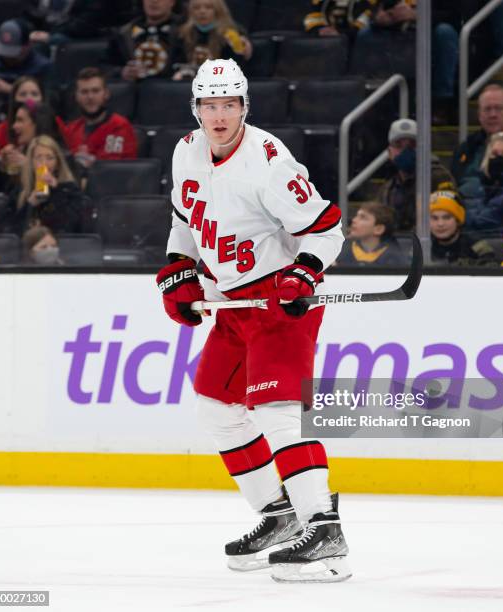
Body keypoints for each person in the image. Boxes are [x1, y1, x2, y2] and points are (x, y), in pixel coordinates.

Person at [155, 58, 350, 583]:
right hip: (234, 307)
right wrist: (178, 270)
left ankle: (324, 530)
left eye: (230, 104)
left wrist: (304, 275)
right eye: (209, 105)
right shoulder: (186, 151)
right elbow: (183, 221)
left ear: (245, 106)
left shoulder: (268, 161)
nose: (219, 116)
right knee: (217, 408)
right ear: (195, 108)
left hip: (281, 303)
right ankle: (279, 516)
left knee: (278, 412)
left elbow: (327, 229)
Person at [6, 134, 91, 235]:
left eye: (49, 158)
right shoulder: (21, 192)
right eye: (38, 158)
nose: (44, 163)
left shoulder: (70, 190)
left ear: (57, 164)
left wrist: (57, 190)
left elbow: (73, 227)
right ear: (31, 163)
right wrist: (30, 204)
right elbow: (10, 232)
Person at [379, 118, 455, 230]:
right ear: (390, 152)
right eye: (399, 145)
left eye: (412, 145)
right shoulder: (388, 187)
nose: (405, 151)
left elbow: (448, 217)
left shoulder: (438, 177)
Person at [0, 19, 52, 117]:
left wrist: (11, 90)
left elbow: (45, 108)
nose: (8, 57)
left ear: (27, 45)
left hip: (28, 120)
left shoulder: (42, 67)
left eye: (13, 53)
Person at [62, 67, 137, 167]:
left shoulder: (120, 125)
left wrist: (92, 162)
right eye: (84, 92)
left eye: (95, 91)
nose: (90, 97)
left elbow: (123, 169)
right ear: (76, 97)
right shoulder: (70, 130)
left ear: (106, 94)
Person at [451, 84, 503, 187]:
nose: (493, 115)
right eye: (487, 109)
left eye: (499, 108)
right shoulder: (465, 149)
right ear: (479, 115)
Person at [171, 0, 252, 80]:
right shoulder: (182, 34)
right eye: (196, 8)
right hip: (190, 81)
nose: (202, 11)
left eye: (209, 7)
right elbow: (176, 63)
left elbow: (238, 66)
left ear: (218, 10)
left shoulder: (232, 34)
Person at [108, 0, 180, 81]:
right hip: (135, 89)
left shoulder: (187, 32)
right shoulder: (124, 33)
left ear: (172, 2)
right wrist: (122, 72)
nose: (154, 1)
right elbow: (105, 67)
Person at [0, 76, 65, 154]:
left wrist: (27, 164)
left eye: (35, 94)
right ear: (14, 99)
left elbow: (46, 165)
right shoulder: (2, 129)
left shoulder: (55, 125)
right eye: (23, 94)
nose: (29, 99)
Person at [429, 190, 495, 265]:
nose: (440, 223)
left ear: (458, 221)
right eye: (434, 218)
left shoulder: (477, 248)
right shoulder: (420, 245)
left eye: (447, 217)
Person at [337, 201, 408, 266]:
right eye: (356, 216)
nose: (354, 220)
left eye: (363, 217)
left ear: (378, 229)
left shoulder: (395, 258)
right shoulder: (339, 249)